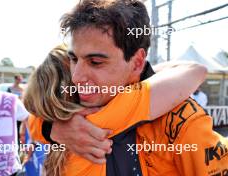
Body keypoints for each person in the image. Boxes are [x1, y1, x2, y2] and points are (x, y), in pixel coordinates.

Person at [34, 0, 227, 175]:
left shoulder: (181, 120)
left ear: (136, 63)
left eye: (95, 62)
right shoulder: (66, 105)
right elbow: (32, 116)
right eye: (74, 59)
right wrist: (51, 127)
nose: (76, 77)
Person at [24, 44, 207, 176]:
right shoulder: (109, 113)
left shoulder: (47, 123)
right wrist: (135, 68)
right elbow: (195, 70)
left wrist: (49, 127)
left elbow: (32, 115)